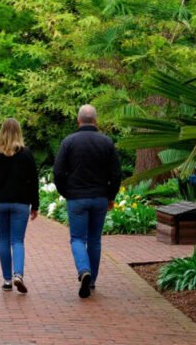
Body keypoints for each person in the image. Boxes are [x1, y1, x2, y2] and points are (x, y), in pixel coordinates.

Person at [53, 104, 121, 299]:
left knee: (77, 238)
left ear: (78, 120)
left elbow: (58, 171)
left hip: (76, 197)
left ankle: (84, 270)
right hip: (99, 197)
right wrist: (111, 195)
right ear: (96, 121)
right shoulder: (106, 142)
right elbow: (116, 173)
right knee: (94, 240)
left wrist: (65, 192)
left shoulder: (69, 142)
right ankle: (91, 281)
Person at [0, 118, 39, 293]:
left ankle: (7, 280)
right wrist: (35, 204)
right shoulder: (26, 153)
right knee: (18, 241)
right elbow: (33, 181)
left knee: (4, 241)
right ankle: (18, 274)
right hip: (21, 202)